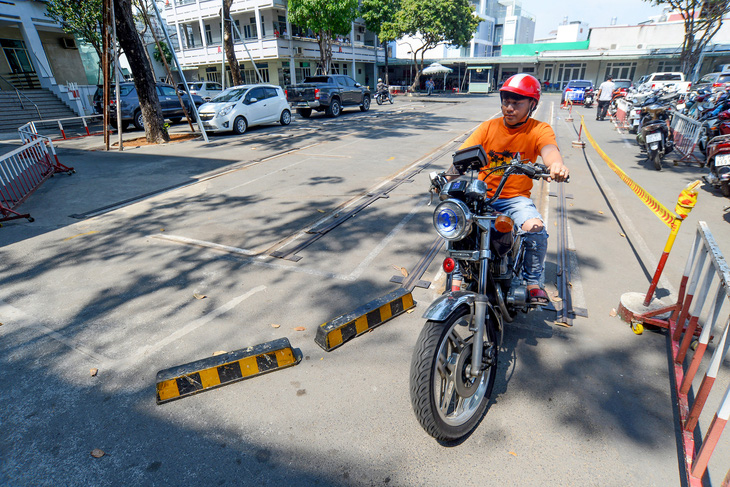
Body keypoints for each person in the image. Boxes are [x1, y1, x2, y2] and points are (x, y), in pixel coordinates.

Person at [447, 73, 569, 304]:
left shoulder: (538, 129)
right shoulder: (488, 127)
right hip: (482, 195)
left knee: (535, 228)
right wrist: (446, 178)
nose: (509, 108)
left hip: (515, 199)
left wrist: (556, 165)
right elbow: (460, 159)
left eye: (517, 103)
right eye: (506, 102)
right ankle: (455, 278)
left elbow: (549, 149)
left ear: (532, 105)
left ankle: (533, 282)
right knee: (455, 221)